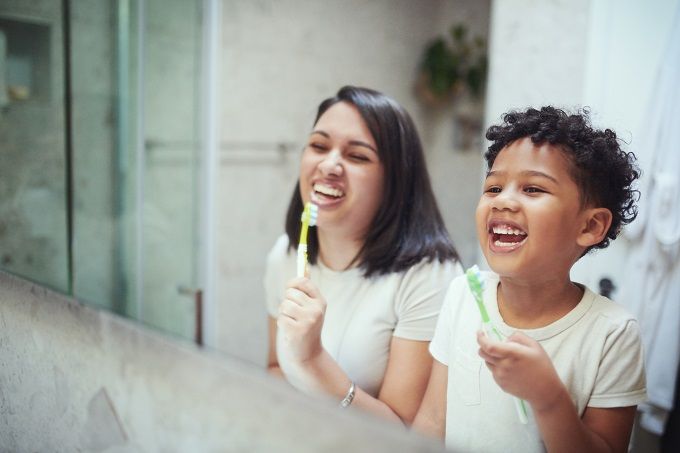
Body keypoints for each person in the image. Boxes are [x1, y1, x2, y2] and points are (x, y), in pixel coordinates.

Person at [414, 106, 647, 451]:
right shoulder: (464, 294)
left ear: (590, 226)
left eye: (533, 189)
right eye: (493, 188)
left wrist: (548, 397)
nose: (503, 201)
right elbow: (432, 421)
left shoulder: (613, 333)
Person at [265, 86, 462, 424]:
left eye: (357, 156)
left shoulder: (431, 276)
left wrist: (313, 360)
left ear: (396, 181)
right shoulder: (285, 254)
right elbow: (274, 369)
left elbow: (405, 433)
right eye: (318, 146)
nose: (329, 165)